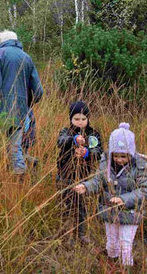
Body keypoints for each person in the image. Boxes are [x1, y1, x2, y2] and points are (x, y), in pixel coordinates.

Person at [74, 123, 147, 268]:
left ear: (131, 153)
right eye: (116, 155)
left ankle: (126, 268)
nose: (119, 159)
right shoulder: (106, 163)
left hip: (130, 213)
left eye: (123, 156)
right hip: (110, 211)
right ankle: (112, 263)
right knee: (111, 242)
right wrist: (86, 186)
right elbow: (98, 181)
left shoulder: (140, 166)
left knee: (125, 244)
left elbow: (145, 189)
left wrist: (124, 199)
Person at [0, 30, 43, 175]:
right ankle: (20, 179)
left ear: (1, 41)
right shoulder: (27, 58)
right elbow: (38, 91)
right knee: (15, 150)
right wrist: (27, 104)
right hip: (20, 111)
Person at [56, 101, 103, 243]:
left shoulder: (93, 134)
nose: (80, 122)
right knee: (66, 205)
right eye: (76, 119)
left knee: (80, 206)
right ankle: (66, 233)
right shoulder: (66, 132)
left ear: (88, 119)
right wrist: (74, 140)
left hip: (83, 177)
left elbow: (99, 151)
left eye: (83, 119)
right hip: (64, 175)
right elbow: (60, 141)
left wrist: (87, 153)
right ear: (71, 119)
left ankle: (80, 234)